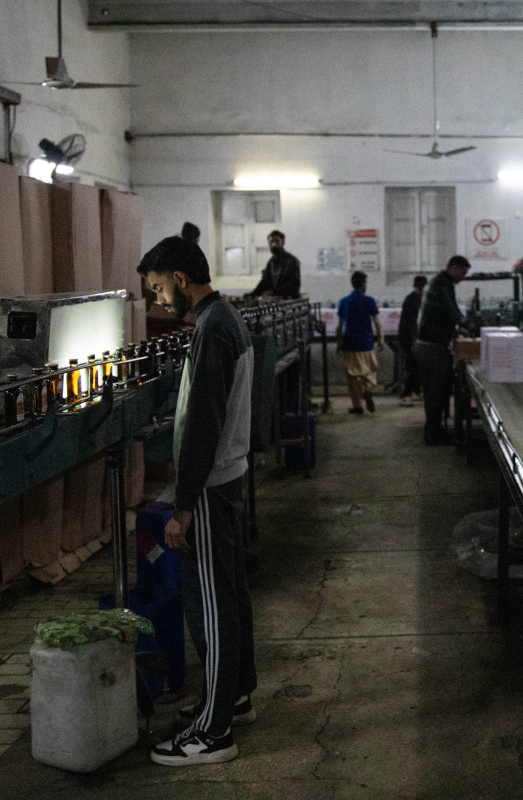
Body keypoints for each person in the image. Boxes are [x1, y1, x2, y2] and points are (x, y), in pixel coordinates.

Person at [137, 235, 257, 767]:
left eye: (160, 289)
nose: (159, 301)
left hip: (210, 486)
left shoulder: (211, 330)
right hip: (228, 477)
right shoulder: (224, 319)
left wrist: (182, 506)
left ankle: (214, 734)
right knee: (229, 595)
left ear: (182, 280)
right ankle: (233, 695)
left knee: (212, 605)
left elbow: (204, 424)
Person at [414, 255, 470, 445]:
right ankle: (433, 434)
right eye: (462, 273)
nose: (463, 277)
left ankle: (433, 430)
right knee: (437, 393)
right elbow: (453, 313)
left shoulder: (437, 282)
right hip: (433, 349)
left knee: (433, 393)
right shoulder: (443, 285)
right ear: (453, 268)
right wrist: (470, 326)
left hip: (426, 346)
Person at [336, 271, 384, 414]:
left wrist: (339, 343)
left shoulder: (344, 301)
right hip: (366, 343)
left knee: (352, 377)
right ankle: (368, 390)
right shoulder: (369, 301)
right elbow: (377, 323)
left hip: (350, 344)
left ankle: (357, 406)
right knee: (370, 372)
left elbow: (339, 326)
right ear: (363, 284)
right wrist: (381, 340)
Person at [398, 275, 427, 406]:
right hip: (409, 339)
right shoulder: (412, 301)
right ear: (422, 288)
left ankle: (416, 390)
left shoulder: (416, 299)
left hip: (412, 338)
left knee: (417, 366)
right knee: (414, 367)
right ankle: (405, 395)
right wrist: (414, 341)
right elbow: (410, 324)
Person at [246, 229, 301, 299]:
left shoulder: (292, 261)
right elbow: (265, 282)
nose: (274, 244)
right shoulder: (271, 262)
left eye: (277, 241)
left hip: (291, 301)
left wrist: (274, 292)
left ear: (283, 242)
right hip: (277, 301)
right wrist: (253, 294)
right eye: (271, 242)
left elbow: (294, 285)